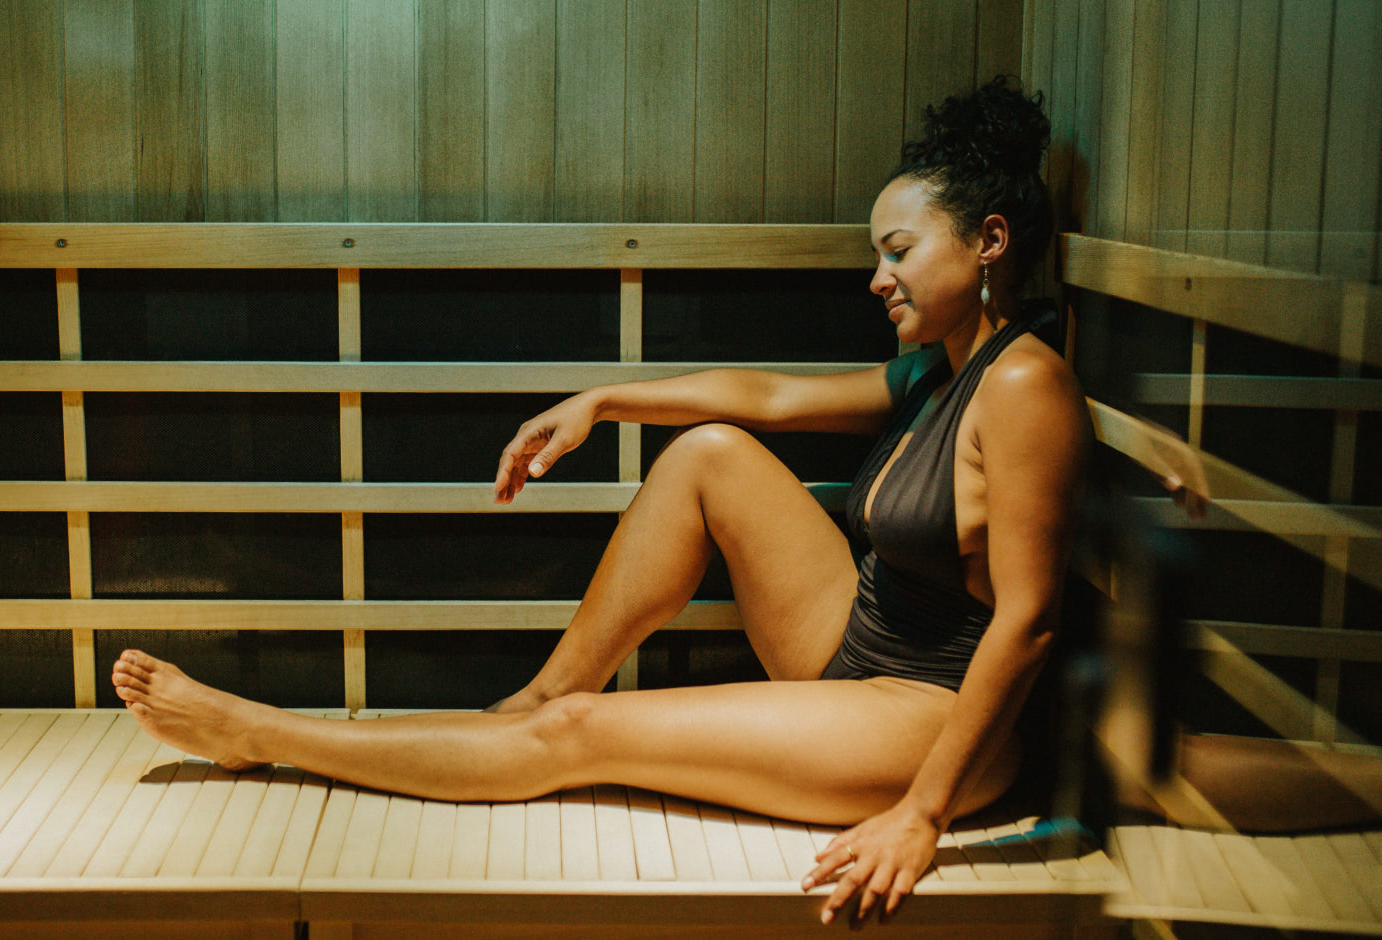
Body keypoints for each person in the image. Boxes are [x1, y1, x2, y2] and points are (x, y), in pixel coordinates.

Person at [111, 76, 1090, 924]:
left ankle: (263, 734)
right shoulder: (936, 369)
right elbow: (770, 398)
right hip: (854, 645)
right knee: (713, 451)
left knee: (586, 740)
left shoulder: (1021, 386)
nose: (877, 277)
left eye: (899, 251)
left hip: (927, 710)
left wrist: (921, 812)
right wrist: (601, 401)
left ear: (989, 240)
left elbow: (1032, 618)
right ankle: (542, 695)